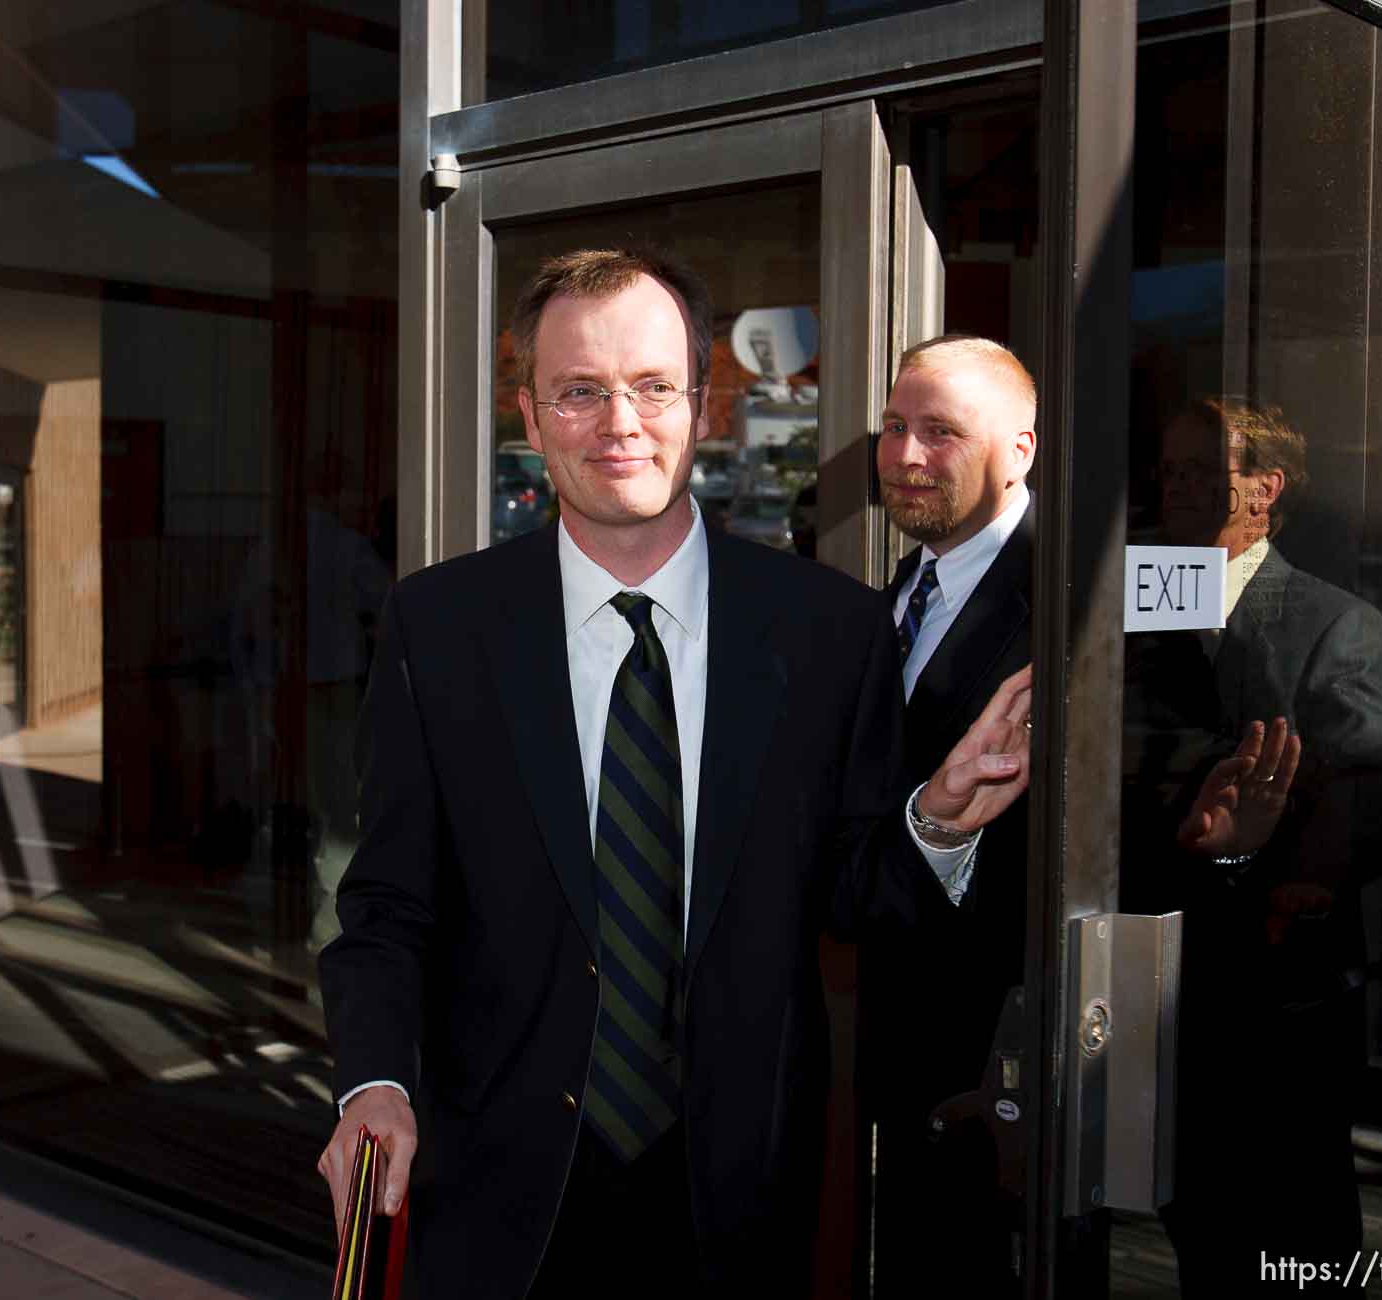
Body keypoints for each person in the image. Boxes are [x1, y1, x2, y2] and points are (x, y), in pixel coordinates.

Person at [316, 249, 1032, 1298]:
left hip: (740, 1198)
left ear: (701, 404)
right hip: (500, 1195)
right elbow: (385, 904)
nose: (620, 423)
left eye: (653, 386)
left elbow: (850, 890)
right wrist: (373, 1084)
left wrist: (937, 820)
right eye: (580, 391)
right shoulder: (440, 626)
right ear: (529, 414)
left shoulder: (830, 632)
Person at [1123, 396, 1382, 1293]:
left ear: (1266, 488)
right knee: (1192, 1203)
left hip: (1278, 969)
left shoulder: (1331, 619)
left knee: (1295, 1211)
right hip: (1156, 953)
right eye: (1170, 469)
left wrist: (1303, 883)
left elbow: (1374, 776)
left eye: (1203, 469)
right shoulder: (1136, 596)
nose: (1178, 486)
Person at [858, 334, 1041, 1293]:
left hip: (1002, 1054)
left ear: (1021, 449)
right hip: (892, 1043)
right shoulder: (893, 593)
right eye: (895, 426)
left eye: (941, 431)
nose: (906, 455)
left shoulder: (1077, 600)